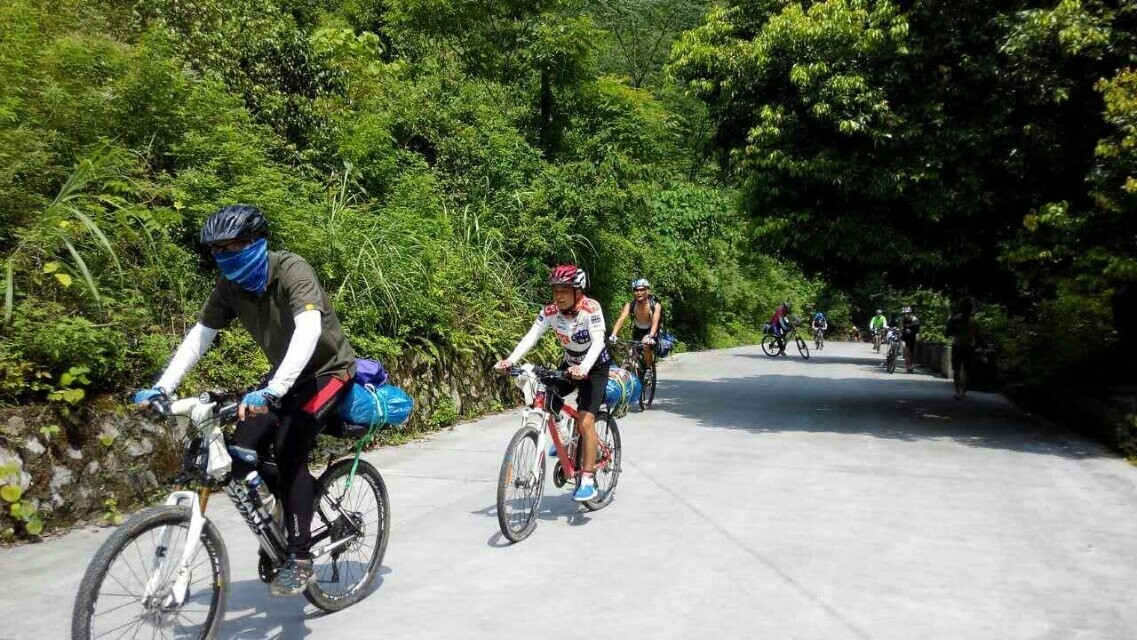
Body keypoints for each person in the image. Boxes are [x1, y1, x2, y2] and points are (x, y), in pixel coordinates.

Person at [132, 204, 357, 596]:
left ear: (257, 242)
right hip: (284, 375)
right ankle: (285, 508)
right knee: (240, 449)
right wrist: (163, 386)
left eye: (234, 245)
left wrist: (273, 390)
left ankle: (300, 557)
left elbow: (308, 330)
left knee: (289, 448)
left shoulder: (291, 270)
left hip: (327, 371)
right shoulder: (230, 286)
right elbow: (201, 335)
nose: (226, 255)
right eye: (218, 250)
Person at [495, 265, 610, 502]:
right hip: (569, 366)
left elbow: (598, 341)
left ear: (577, 291)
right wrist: (510, 360)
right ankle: (564, 438)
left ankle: (588, 479)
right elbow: (532, 335)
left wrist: (584, 368)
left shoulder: (591, 308)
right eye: (555, 290)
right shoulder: (550, 312)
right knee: (544, 395)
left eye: (564, 291)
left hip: (595, 368)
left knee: (585, 421)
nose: (558, 296)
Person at [609, 278, 662, 370]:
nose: (639, 292)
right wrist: (613, 335)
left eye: (642, 289)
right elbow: (621, 319)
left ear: (647, 290)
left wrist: (650, 336)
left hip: (651, 331)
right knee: (631, 356)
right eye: (636, 290)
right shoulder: (631, 305)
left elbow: (655, 322)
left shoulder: (655, 305)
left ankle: (649, 369)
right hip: (638, 331)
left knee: (645, 345)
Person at [946, 298, 980, 399]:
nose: (966, 310)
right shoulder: (955, 319)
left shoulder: (974, 322)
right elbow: (948, 332)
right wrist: (953, 323)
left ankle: (963, 391)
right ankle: (958, 390)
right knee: (957, 369)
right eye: (964, 308)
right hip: (957, 346)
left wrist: (981, 347)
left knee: (967, 370)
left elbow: (978, 336)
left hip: (969, 347)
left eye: (968, 308)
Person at [898, 306, 920, 373]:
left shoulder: (915, 319)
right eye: (904, 314)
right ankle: (907, 366)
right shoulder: (902, 319)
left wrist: (913, 332)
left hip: (912, 336)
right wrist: (900, 331)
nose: (905, 315)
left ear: (910, 313)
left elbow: (917, 330)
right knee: (905, 349)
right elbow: (900, 327)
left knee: (911, 351)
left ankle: (911, 364)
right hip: (905, 336)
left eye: (907, 313)